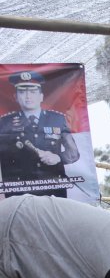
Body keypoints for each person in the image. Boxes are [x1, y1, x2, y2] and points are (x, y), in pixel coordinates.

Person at [0, 70, 80, 198]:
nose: (28, 96)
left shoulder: (58, 119)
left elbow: (73, 153)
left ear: (41, 96)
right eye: (22, 92)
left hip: (54, 192)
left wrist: (58, 158)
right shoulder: (4, 123)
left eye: (32, 92)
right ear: (15, 97)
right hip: (19, 194)